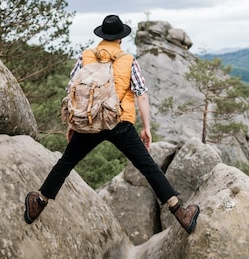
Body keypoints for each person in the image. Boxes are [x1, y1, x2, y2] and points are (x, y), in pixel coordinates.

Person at [24, 14, 200, 234]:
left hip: (89, 121)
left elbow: (73, 92)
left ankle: (38, 203)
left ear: (102, 36)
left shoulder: (85, 57)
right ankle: (181, 213)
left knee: (66, 163)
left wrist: (74, 122)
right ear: (120, 39)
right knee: (148, 167)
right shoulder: (128, 60)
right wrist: (146, 128)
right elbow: (141, 95)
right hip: (119, 122)